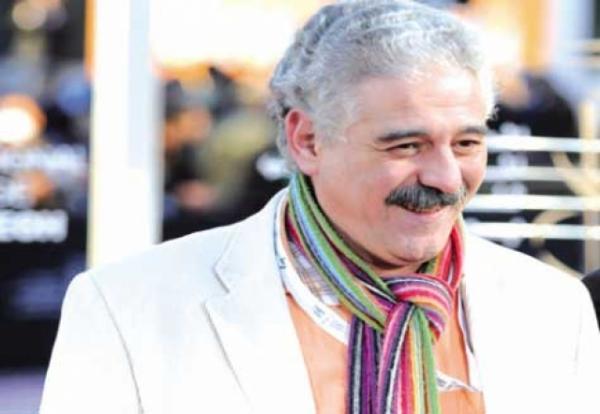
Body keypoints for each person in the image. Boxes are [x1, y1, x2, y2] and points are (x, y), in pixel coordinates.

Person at [39, 1, 600, 413]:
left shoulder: (552, 309)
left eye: (467, 143)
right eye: (406, 145)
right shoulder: (127, 309)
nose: (446, 177)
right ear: (307, 140)